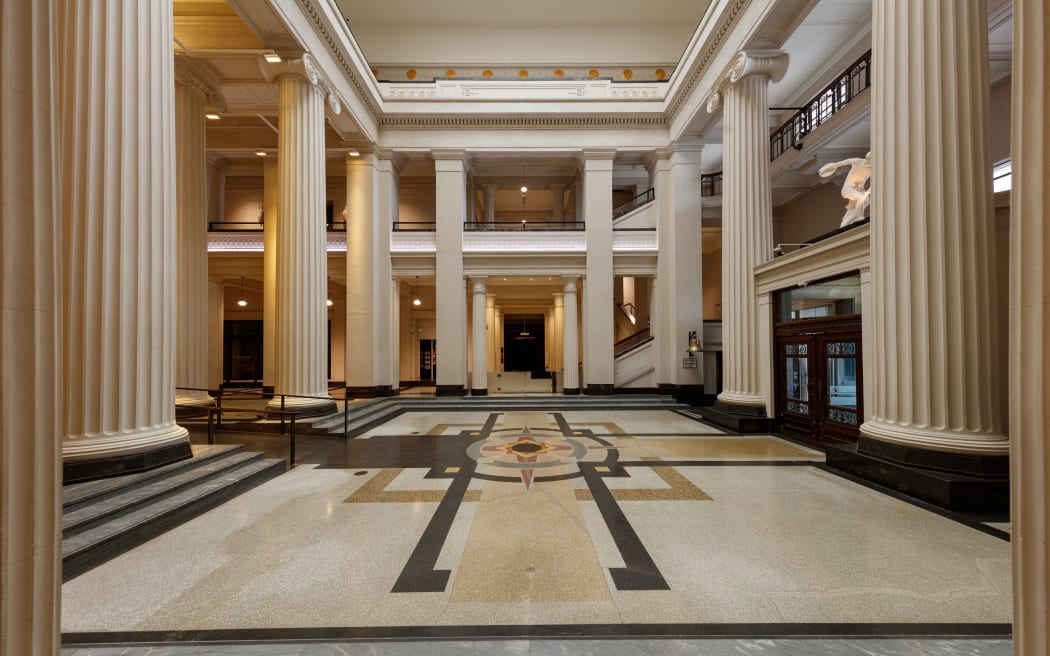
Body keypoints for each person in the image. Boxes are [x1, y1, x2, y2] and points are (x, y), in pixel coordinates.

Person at [818, 151, 871, 227]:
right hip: (848, 189)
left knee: (865, 201)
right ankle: (860, 218)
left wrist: (867, 192)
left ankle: (848, 222)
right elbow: (842, 163)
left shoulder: (872, 169)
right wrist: (830, 167)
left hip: (859, 189)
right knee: (860, 197)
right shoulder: (857, 161)